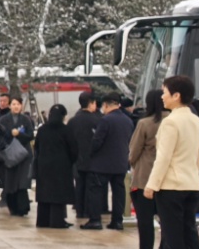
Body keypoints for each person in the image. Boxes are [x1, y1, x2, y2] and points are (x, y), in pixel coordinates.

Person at [147, 76, 199, 249]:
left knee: (173, 236)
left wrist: (151, 185)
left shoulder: (170, 122)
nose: (162, 96)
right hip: (191, 183)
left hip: (171, 185)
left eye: (165, 92)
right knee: (190, 233)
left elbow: (163, 157)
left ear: (176, 95)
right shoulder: (198, 122)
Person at [82, 95, 134, 231]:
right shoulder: (128, 120)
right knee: (119, 193)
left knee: (95, 191)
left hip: (102, 164)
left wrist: (91, 153)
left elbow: (97, 140)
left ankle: (95, 220)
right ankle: (117, 221)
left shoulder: (105, 120)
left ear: (106, 105)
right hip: (121, 163)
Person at [128, 90, 166, 249]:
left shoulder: (145, 123)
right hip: (168, 176)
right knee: (167, 217)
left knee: (145, 217)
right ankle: (165, 248)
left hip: (146, 174)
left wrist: (133, 163)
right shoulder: (173, 120)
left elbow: (134, 149)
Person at [33, 105, 78, 229]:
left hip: (43, 166)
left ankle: (43, 221)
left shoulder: (42, 130)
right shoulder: (66, 130)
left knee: (44, 194)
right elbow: (74, 150)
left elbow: (36, 147)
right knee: (58, 194)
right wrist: (70, 161)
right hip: (61, 167)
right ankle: (57, 221)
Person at [0, 98, 35, 217]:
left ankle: (23, 207)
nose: (16, 106)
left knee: (22, 181)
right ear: (10, 106)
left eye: (18, 104)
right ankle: (12, 207)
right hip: (10, 154)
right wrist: (10, 134)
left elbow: (30, 135)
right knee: (11, 181)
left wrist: (19, 134)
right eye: (13, 104)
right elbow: (0, 136)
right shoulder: (3, 120)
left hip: (24, 154)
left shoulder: (26, 119)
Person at [68, 92, 101, 222]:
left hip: (76, 159)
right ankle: (88, 211)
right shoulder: (97, 120)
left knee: (79, 185)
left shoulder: (73, 121)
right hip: (93, 159)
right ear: (91, 103)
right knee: (91, 187)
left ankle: (79, 210)